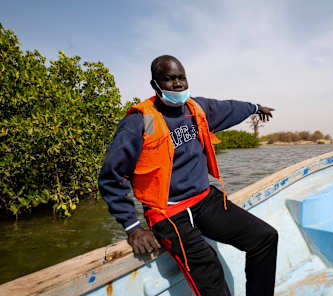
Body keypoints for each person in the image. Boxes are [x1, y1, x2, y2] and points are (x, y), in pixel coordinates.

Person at [98, 55, 277, 296]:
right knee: (209, 267)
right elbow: (111, 176)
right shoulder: (143, 121)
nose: (178, 84)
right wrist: (133, 228)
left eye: (181, 78)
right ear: (155, 85)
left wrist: (255, 108)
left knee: (265, 238)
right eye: (169, 79)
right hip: (168, 213)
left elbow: (229, 108)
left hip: (203, 199)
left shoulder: (195, 109)